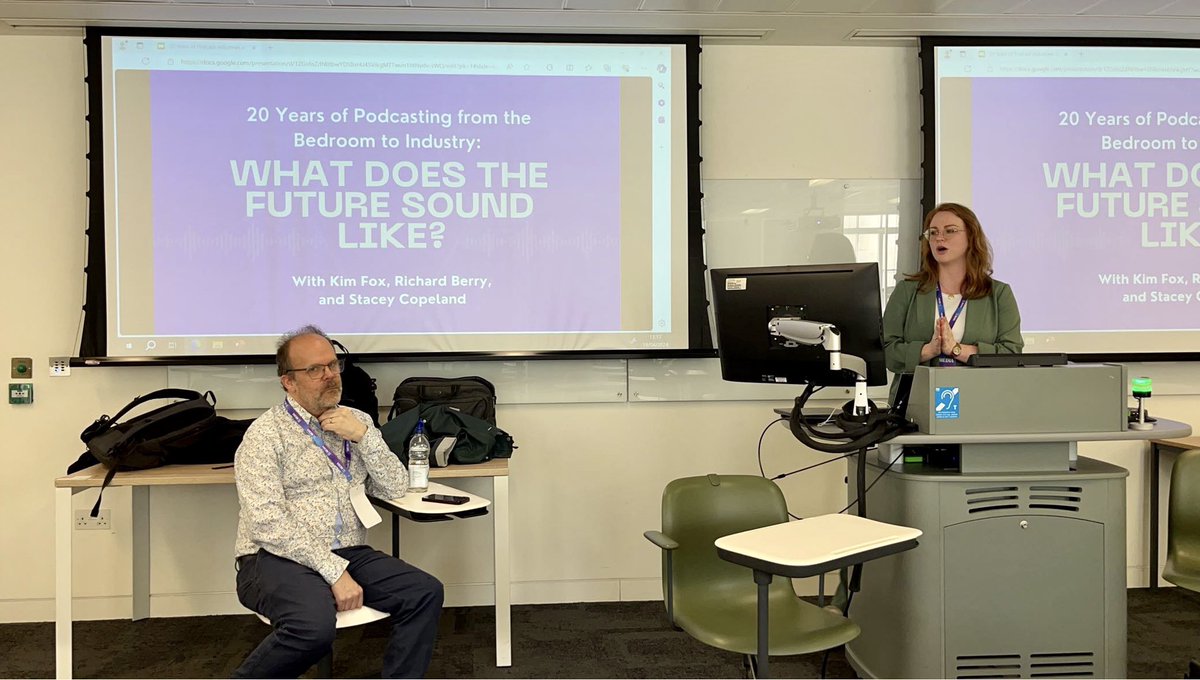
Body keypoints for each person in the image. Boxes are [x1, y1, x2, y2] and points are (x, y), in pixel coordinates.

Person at [233, 325, 443, 679]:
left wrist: (363, 437)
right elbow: (267, 522)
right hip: (272, 557)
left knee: (424, 592)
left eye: (332, 365)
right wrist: (333, 571)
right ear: (288, 382)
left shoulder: (355, 421)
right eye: (315, 370)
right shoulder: (264, 435)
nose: (329, 376)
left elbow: (394, 486)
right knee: (313, 628)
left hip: (348, 550)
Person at [882, 203, 1023, 395]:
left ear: (971, 237)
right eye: (933, 232)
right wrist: (928, 350)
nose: (939, 237)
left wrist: (956, 349)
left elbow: (1011, 355)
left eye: (950, 231)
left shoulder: (998, 294)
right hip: (916, 401)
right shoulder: (907, 291)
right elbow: (887, 351)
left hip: (981, 400)